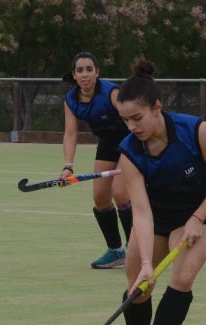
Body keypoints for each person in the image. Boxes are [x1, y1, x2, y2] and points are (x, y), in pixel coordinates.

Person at [112, 59, 206, 325]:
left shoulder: (195, 131)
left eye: (137, 118)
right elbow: (140, 210)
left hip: (199, 212)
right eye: (125, 120)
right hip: (156, 215)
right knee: (138, 286)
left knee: (182, 276)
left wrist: (197, 218)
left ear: (157, 108)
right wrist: (148, 263)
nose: (132, 127)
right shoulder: (129, 152)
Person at [61, 52, 132, 269]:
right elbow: (70, 134)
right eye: (80, 70)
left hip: (130, 141)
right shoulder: (71, 100)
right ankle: (116, 251)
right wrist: (68, 167)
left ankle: (137, 249)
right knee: (100, 198)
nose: (85, 75)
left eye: (89, 70)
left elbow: (132, 117)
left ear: (97, 72)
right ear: (74, 75)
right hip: (108, 144)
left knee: (120, 193)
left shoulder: (111, 92)